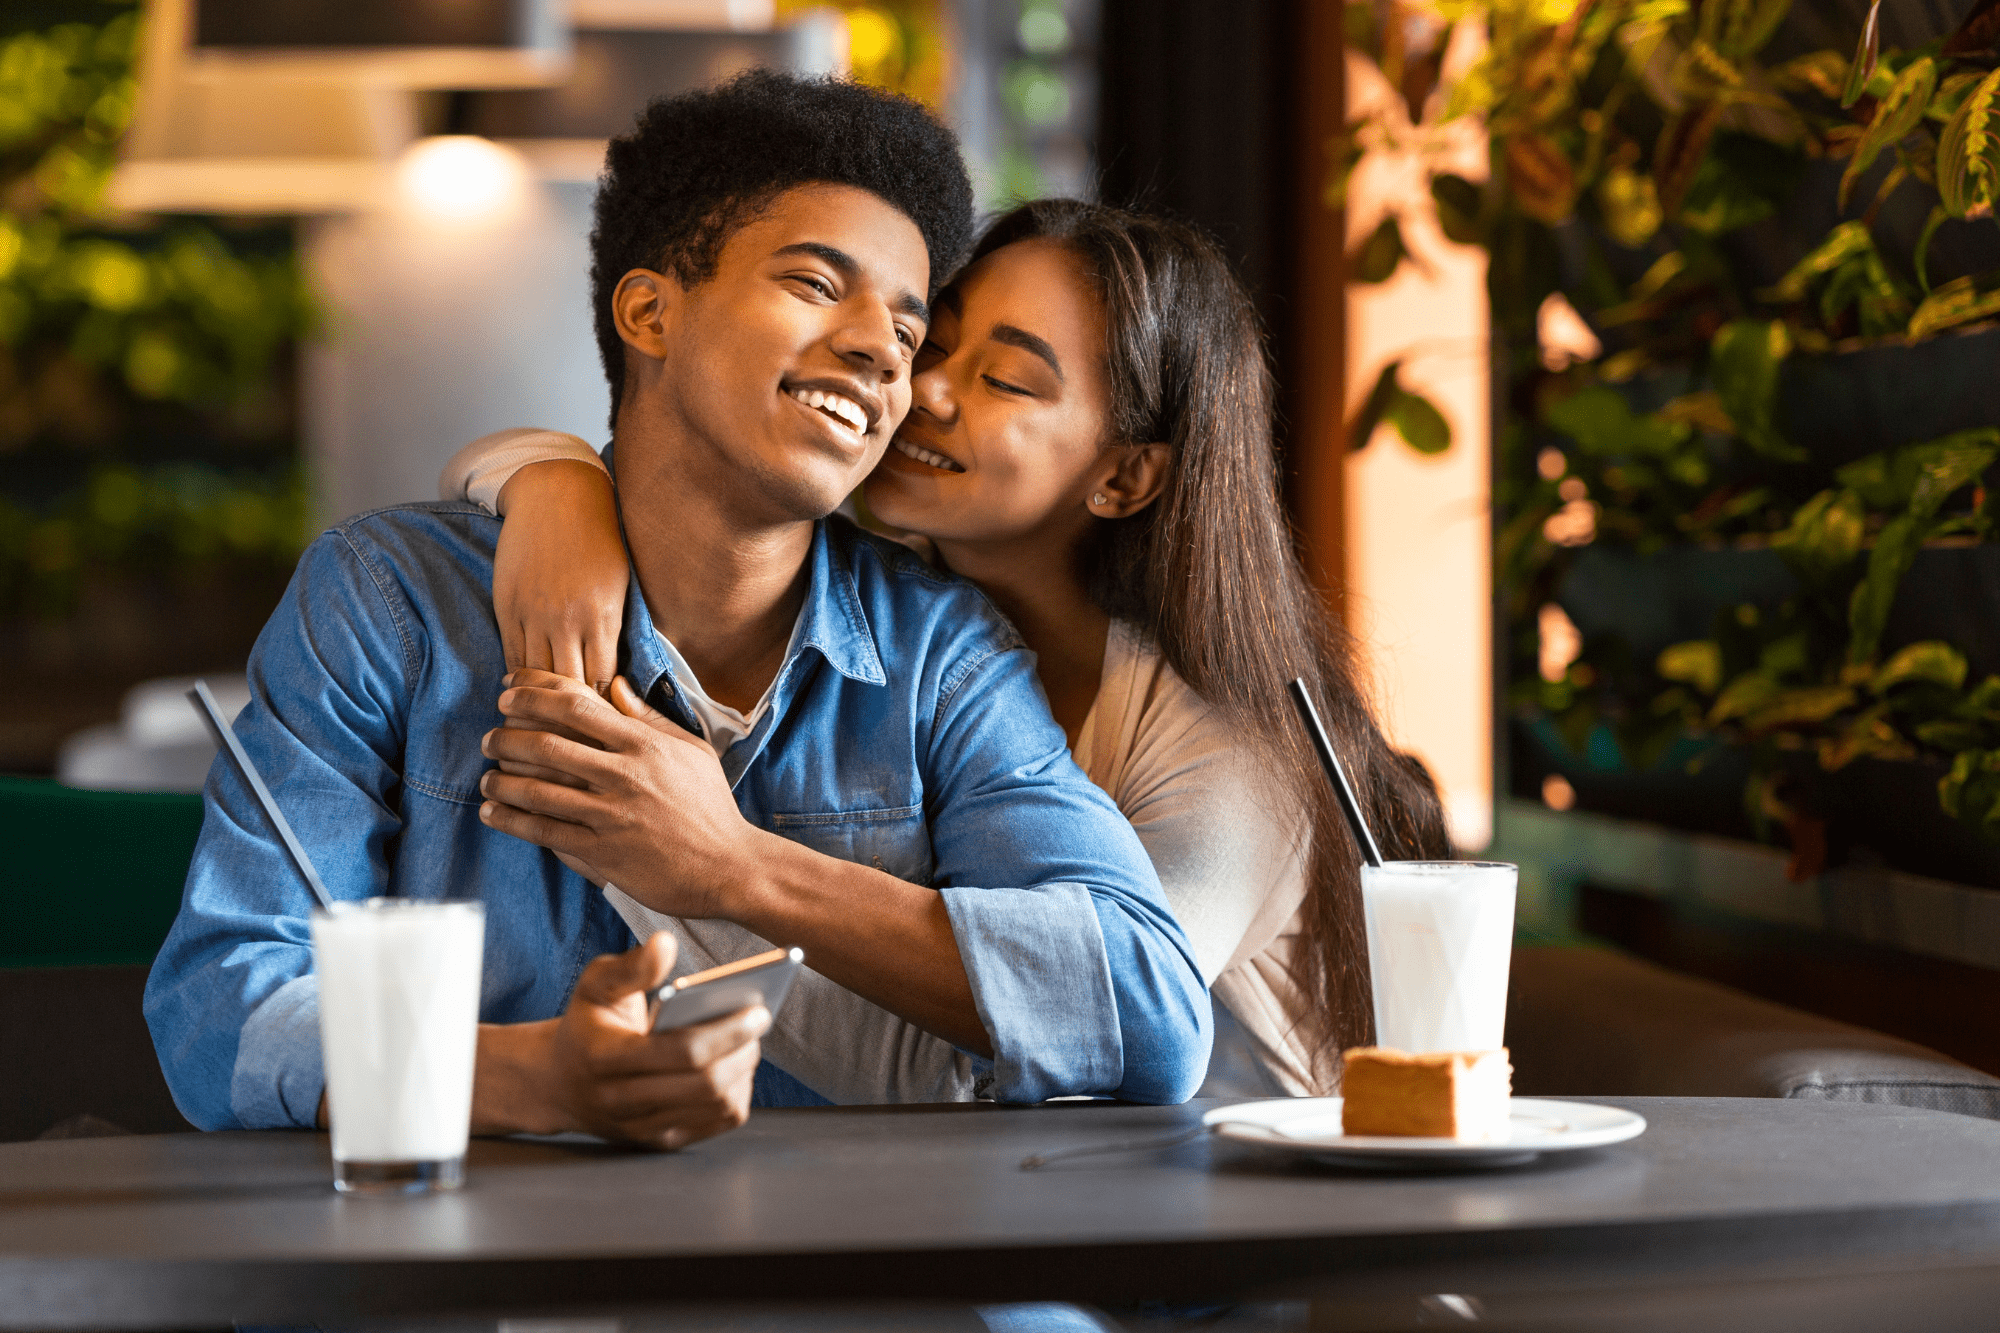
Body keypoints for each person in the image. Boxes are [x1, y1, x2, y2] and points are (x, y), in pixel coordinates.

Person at [145, 76, 1211, 1144]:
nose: (882, 352)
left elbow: (1147, 1011)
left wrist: (734, 864)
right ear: (650, 311)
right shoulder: (391, 604)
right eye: (812, 282)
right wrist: (530, 1081)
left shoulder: (939, 653)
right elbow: (217, 1008)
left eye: (904, 324)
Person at [445, 198, 1450, 1099]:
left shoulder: (1224, 754)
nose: (919, 390)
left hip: (1205, 1261)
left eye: (1006, 379)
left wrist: (692, 858)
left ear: (1124, 477)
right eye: (933, 343)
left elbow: (1019, 1062)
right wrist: (549, 476)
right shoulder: (898, 627)